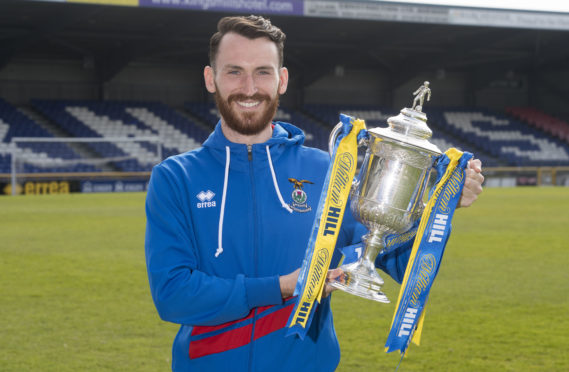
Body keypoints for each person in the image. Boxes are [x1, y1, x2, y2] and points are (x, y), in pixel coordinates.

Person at [145, 15, 484, 372]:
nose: (249, 87)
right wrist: (284, 287)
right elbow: (173, 295)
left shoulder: (326, 170)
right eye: (234, 72)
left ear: (282, 80)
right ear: (210, 79)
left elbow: (390, 257)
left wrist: (436, 206)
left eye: (263, 71)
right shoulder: (175, 177)